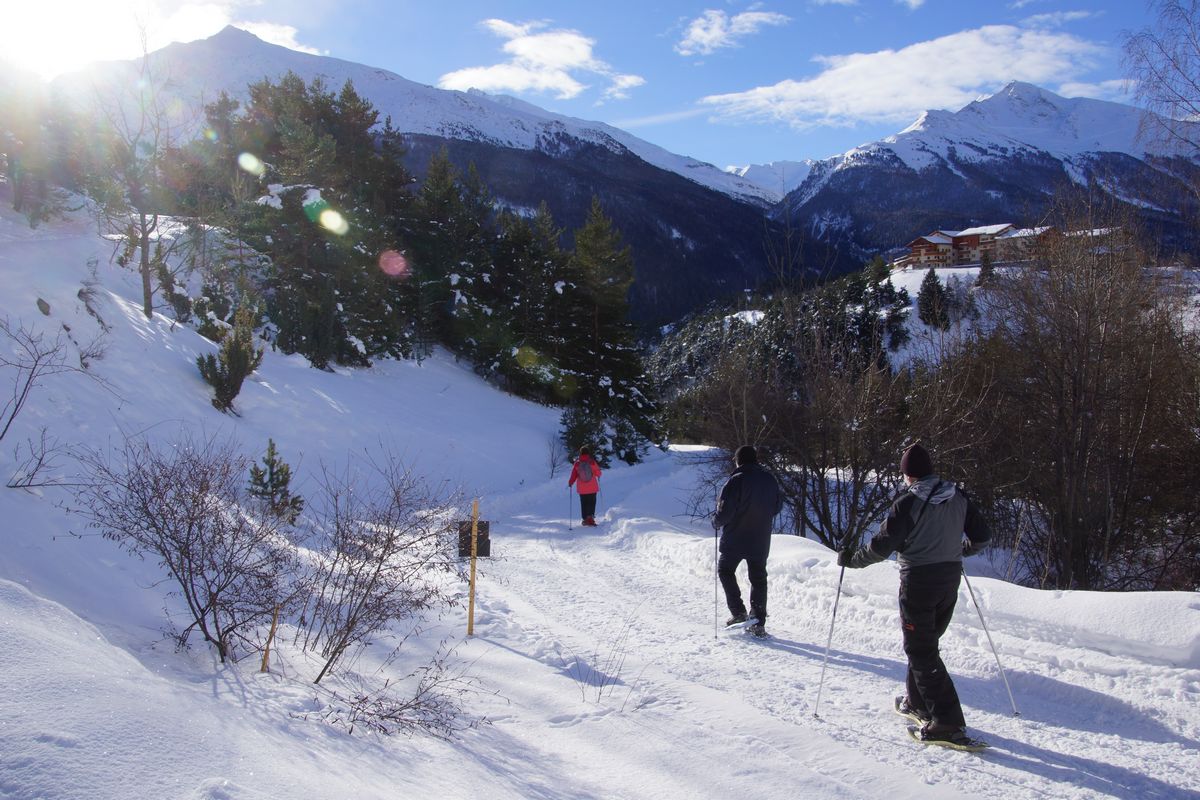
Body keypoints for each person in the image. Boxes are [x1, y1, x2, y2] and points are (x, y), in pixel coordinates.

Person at [838, 442, 990, 747]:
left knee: (921, 650)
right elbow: (982, 536)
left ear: (907, 474)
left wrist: (852, 560)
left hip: (919, 580)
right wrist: (961, 550)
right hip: (949, 579)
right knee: (925, 644)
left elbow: (882, 546)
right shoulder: (958, 495)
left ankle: (947, 722)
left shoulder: (909, 502)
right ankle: (917, 703)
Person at [713, 445, 783, 637]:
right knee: (759, 578)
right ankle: (758, 622)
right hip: (760, 539)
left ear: (738, 460)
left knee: (725, 570)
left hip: (735, 537)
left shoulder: (736, 481)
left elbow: (725, 512)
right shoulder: (770, 479)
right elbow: (777, 506)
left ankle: (739, 613)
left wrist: (716, 521)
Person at [568, 446, 602, 526]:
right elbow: (598, 473)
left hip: (582, 489)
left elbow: (574, 475)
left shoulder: (577, 463)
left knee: (584, 503)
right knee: (592, 502)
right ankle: (591, 518)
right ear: (588, 453)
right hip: (592, 487)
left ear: (580, 453)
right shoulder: (592, 462)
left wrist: (570, 482)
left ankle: (585, 519)